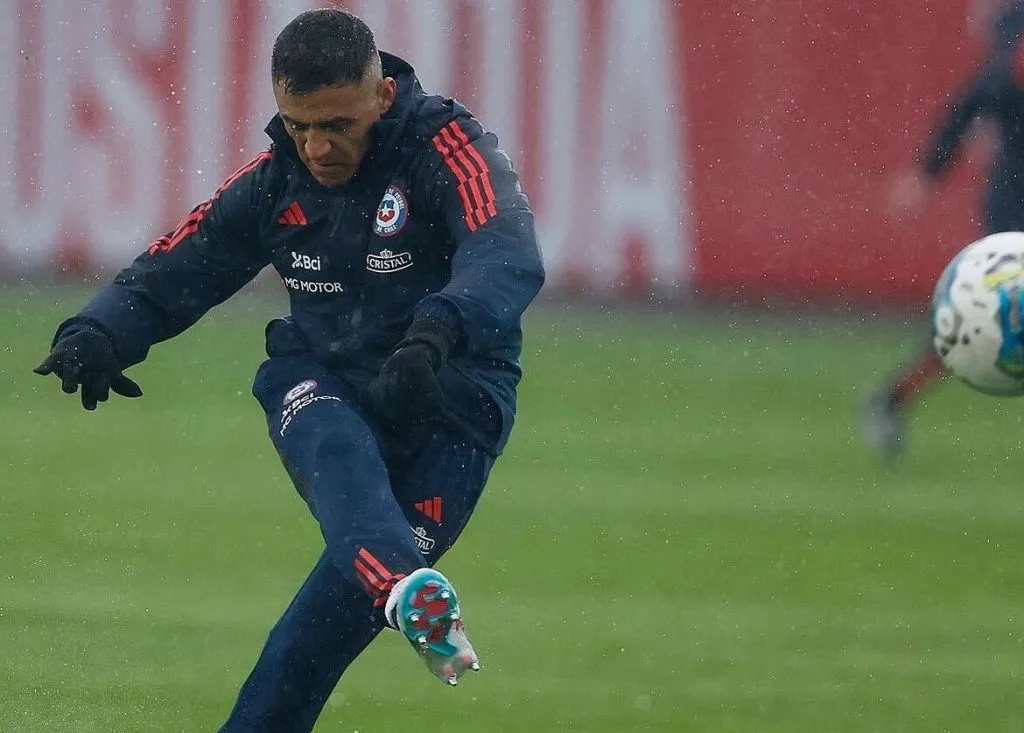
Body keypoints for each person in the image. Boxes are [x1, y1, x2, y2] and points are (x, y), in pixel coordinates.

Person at [33, 8, 544, 730]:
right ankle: (406, 591)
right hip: (329, 378)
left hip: (450, 404)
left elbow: (508, 250)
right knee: (308, 408)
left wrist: (436, 331)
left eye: (336, 124)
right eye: (299, 124)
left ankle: (399, 585)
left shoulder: (446, 146)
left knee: (302, 651)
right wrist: (99, 329)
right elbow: (181, 263)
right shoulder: (277, 180)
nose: (317, 147)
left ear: (382, 95)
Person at [862, 0, 1024, 461]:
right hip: (1016, 205)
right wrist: (928, 171)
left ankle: (892, 398)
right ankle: (894, 396)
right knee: (990, 319)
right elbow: (980, 96)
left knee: (989, 321)